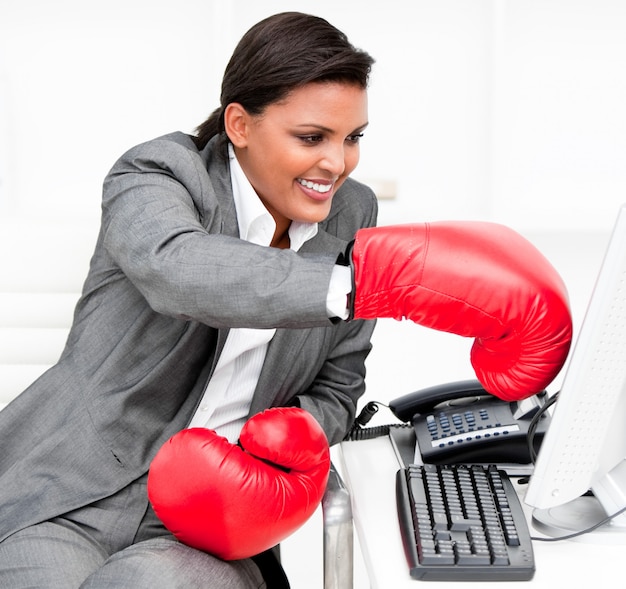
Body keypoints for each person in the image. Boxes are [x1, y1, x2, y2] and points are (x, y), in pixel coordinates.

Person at [0, 11, 573, 589]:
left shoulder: (353, 214)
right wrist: (358, 285)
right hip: (70, 496)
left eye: (353, 138)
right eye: (311, 137)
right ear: (240, 125)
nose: (336, 163)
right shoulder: (160, 173)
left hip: (213, 525)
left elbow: (338, 387)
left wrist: (298, 429)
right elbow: (175, 266)